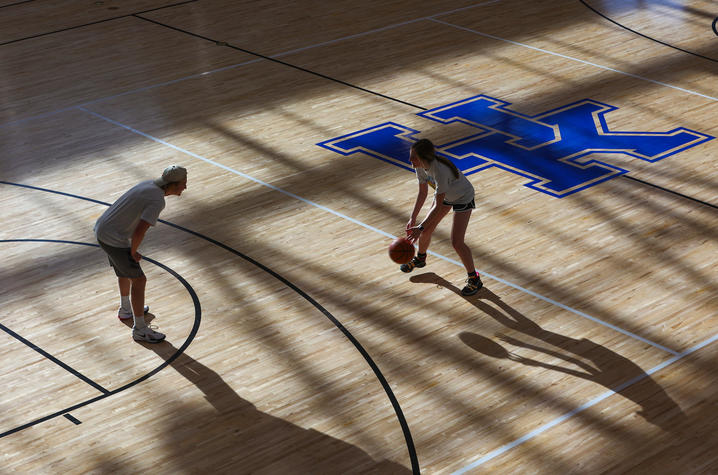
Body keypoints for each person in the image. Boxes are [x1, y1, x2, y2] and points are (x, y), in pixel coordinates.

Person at [94, 165, 187, 343]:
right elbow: (140, 231)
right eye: (183, 183)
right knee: (139, 280)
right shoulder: (157, 200)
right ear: (173, 185)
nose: (185, 187)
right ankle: (140, 330)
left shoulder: (148, 185)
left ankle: (126, 309)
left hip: (103, 230)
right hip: (114, 238)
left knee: (125, 271)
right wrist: (133, 251)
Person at [402, 139, 483, 296]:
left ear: (424, 157)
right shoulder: (420, 167)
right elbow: (423, 193)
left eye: (414, 157)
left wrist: (420, 227)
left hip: (462, 197)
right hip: (446, 196)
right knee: (426, 230)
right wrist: (413, 218)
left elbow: (438, 205)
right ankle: (420, 258)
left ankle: (475, 279)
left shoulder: (440, 171)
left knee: (457, 242)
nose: (410, 160)